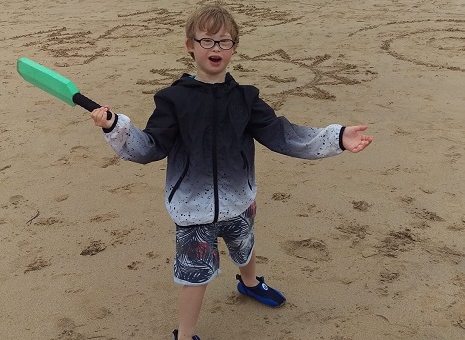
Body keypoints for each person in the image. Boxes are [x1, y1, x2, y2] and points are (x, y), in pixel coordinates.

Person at [90, 4, 373, 340]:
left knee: (244, 244)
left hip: (240, 199)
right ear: (189, 45)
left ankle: (250, 283)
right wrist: (115, 127)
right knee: (195, 275)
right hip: (193, 209)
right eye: (207, 41)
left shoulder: (246, 98)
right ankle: (185, 334)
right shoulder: (173, 100)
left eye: (224, 42)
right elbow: (150, 147)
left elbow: (282, 135)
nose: (216, 49)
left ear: (235, 48)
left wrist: (336, 137)